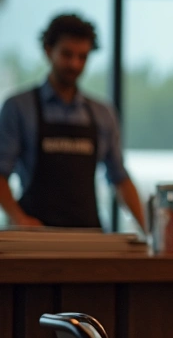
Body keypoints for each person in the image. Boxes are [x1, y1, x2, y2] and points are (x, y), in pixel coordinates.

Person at [0, 14, 145, 230]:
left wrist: (149, 231)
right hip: (36, 235)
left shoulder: (102, 113)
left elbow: (119, 178)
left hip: (88, 235)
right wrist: (19, 218)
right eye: (67, 54)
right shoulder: (19, 108)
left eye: (82, 57)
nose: (74, 64)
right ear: (48, 51)